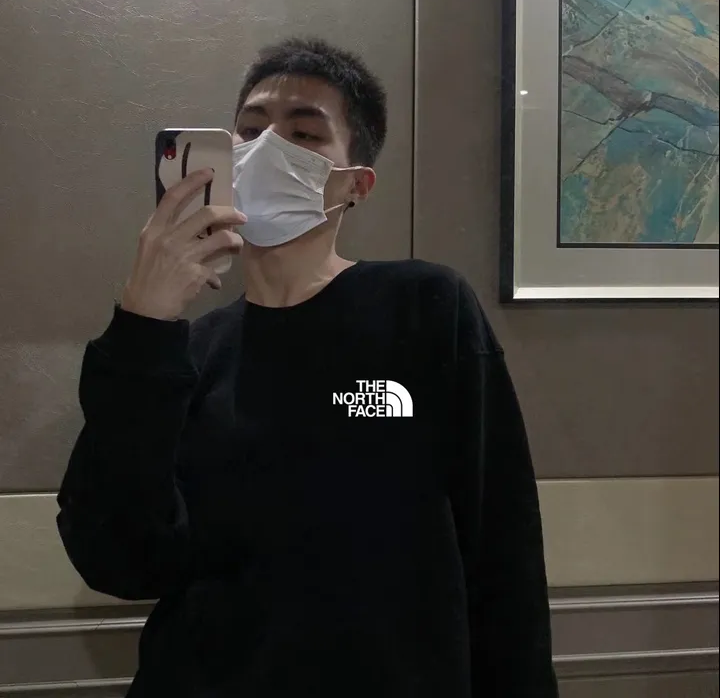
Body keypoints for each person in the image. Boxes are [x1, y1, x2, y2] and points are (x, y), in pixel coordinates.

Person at [57, 38, 558, 697]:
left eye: (304, 133)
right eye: (249, 131)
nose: (266, 147)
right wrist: (143, 323)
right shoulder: (186, 353)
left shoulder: (422, 308)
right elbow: (119, 560)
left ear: (355, 185)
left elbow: (502, 544)